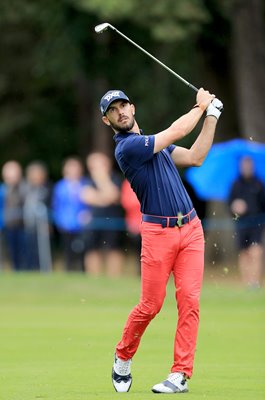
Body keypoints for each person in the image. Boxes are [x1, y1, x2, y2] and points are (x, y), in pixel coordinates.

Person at [99, 88, 223, 393]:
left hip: (191, 229)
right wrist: (201, 106)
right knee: (151, 305)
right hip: (158, 234)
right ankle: (123, 355)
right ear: (107, 120)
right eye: (114, 110)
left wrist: (212, 116)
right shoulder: (128, 148)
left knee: (190, 302)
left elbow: (195, 157)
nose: (121, 112)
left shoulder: (156, 145)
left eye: (124, 105)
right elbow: (177, 130)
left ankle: (180, 374)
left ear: (133, 107)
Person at [81, 152, 125, 277]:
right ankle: (94, 277)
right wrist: (105, 198)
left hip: (113, 221)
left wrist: (102, 179)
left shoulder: (115, 178)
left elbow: (115, 195)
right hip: (94, 221)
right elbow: (87, 197)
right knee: (92, 250)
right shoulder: (88, 180)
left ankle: (114, 277)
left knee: (114, 249)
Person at [228, 156, 265, 289]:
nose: (247, 167)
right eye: (244, 165)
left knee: (256, 251)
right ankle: (246, 281)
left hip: (256, 224)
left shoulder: (259, 183)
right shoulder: (235, 184)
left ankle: (255, 282)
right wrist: (235, 207)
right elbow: (229, 205)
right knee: (244, 253)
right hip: (241, 224)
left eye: (249, 165)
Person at [52, 157, 91, 271]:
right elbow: (57, 206)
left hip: (82, 226)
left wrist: (87, 214)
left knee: (83, 252)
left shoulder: (85, 184)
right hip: (66, 225)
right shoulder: (60, 186)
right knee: (67, 252)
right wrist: (60, 221)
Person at [23, 161, 52, 271]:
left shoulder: (48, 188)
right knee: (30, 249)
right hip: (28, 225)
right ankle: (30, 268)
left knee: (44, 250)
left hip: (43, 225)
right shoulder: (26, 188)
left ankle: (44, 269)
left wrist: (48, 223)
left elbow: (50, 206)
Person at [1, 160, 27, 271]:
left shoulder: (24, 188)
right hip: (4, 227)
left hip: (22, 226)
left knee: (21, 254)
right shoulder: (2, 190)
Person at [120, 178, 142, 274]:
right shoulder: (128, 182)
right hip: (135, 225)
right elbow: (126, 202)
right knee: (138, 254)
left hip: (152, 224)